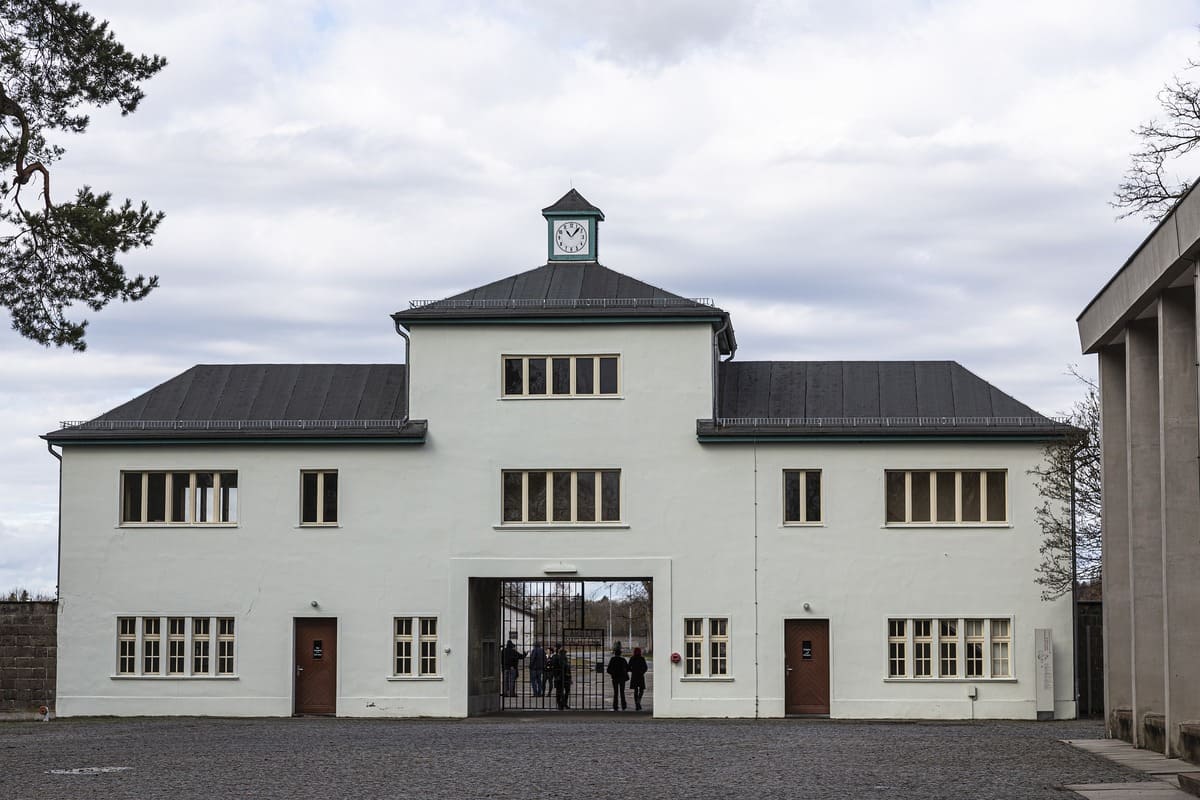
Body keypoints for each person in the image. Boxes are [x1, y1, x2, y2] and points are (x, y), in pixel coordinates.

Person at [606, 642, 629, 711]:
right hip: (622, 678)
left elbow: (608, 669)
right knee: (622, 692)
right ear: (620, 653)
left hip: (615, 678)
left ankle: (615, 706)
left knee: (615, 693)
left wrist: (613, 674)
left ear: (615, 653)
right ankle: (623, 705)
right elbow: (627, 668)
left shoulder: (612, 660)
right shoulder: (623, 660)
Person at [628, 646, 648, 711]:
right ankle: (638, 701)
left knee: (635, 690)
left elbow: (628, 667)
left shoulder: (632, 658)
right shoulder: (642, 658)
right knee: (641, 689)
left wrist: (632, 670)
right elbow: (645, 667)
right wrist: (642, 672)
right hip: (640, 675)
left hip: (634, 676)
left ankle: (637, 703)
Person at [553, 645, 572, 710]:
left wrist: (570, 677)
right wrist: (556, 676)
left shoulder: (565, 659)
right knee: (559, 692)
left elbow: (568, 669)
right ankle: (560, 704)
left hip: (566, 677)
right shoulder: (556, 657)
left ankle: (564, 704)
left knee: (565, 692)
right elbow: (555, 668)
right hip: (560, 677)